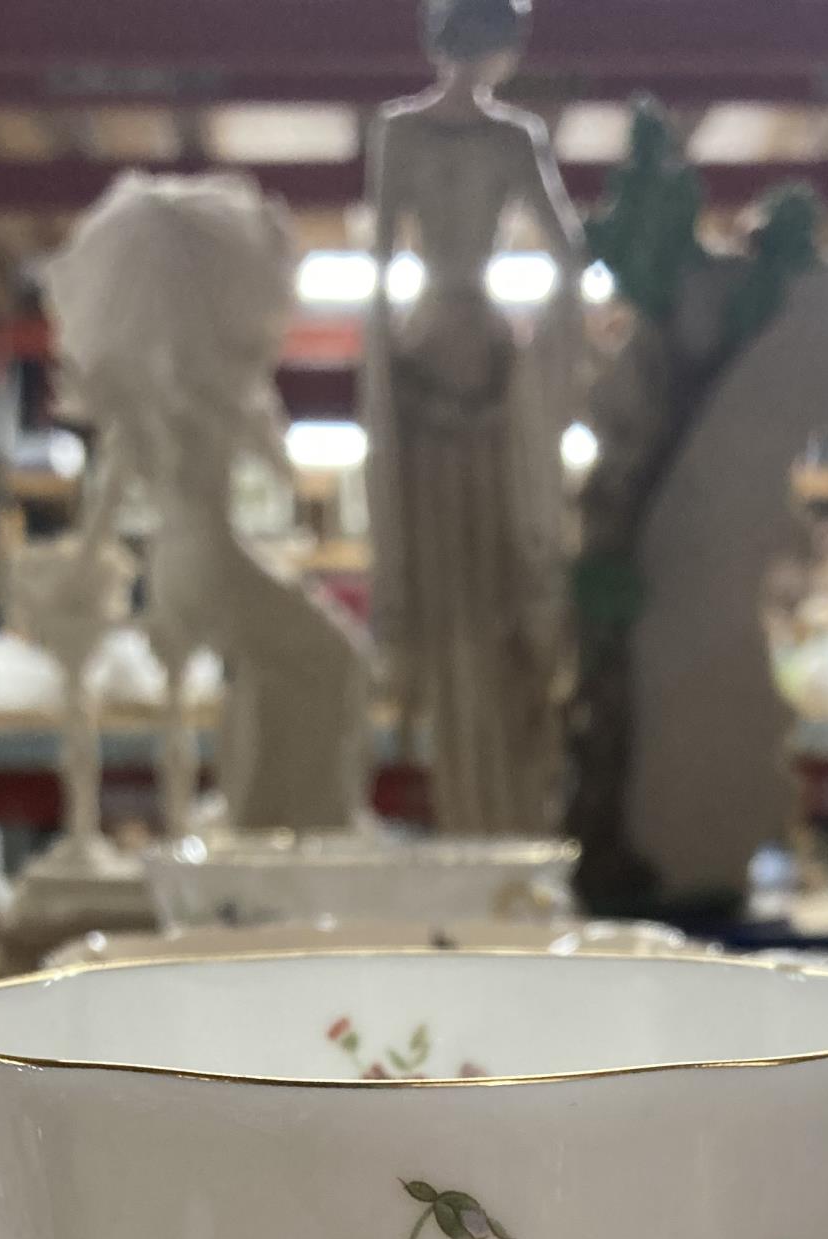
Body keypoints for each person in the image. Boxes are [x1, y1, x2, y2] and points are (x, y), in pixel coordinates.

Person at [363, 0, 582, 833]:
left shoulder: (496, 136)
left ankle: (496, 799)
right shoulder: (433, 134)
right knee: (455, 576)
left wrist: (539, 363)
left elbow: (563, 253)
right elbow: (386, 261)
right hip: (456, 353)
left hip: (459, 351)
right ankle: (469, 796)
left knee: (490, 576)